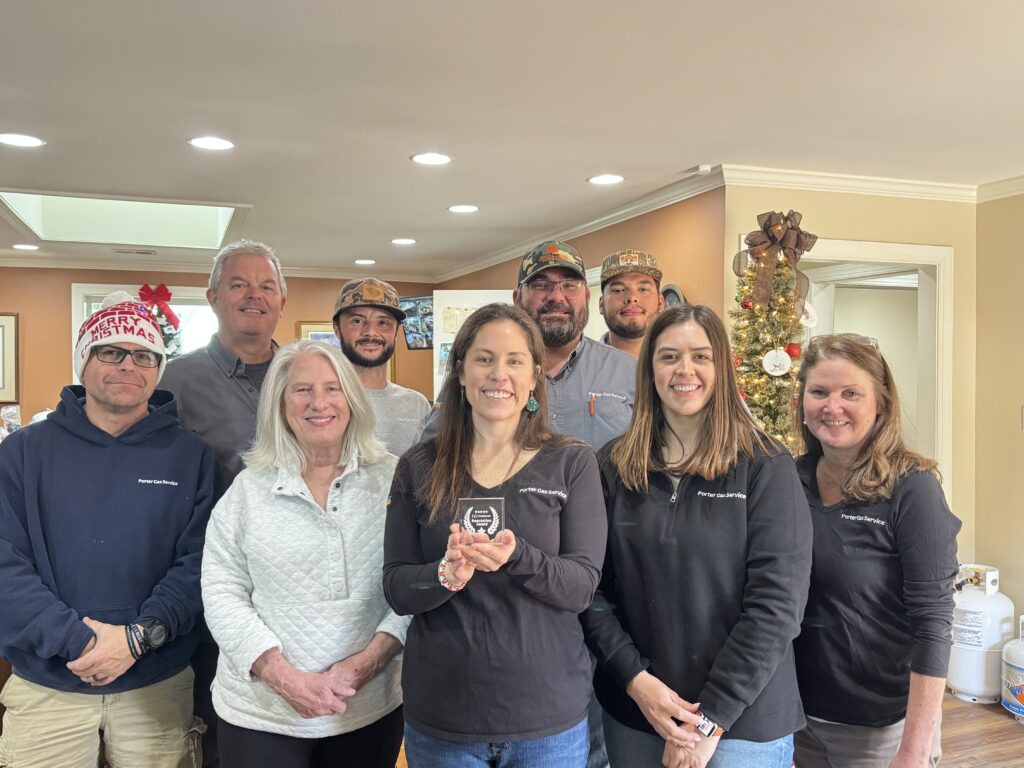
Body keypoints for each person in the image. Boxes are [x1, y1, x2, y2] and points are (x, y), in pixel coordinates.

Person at [582, 304, 812, 768]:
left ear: (721, 368)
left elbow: (777, 606)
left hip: (743, 723)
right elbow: (591, 589)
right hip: (638, 713)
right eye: (668, 357)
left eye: (700, 356)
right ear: (649, 370)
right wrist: (635, 681)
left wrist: (709, 721)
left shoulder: (765, 465)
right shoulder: (613, 465)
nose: (685, 370)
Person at [383, 303, 606, 767]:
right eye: (483, 358)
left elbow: (581, 587)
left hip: (547, 719)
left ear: (534, 378)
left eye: (514, 360)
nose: (497, 374)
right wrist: (444, 575)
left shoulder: (572, 463)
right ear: (460, 371)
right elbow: (397, 588)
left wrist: (518, 557)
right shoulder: (419, 465)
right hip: (444, 717)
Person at [0, 295, 216, 767]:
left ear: (159, 368)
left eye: (143, 355)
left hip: (157, 683)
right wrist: (79, 643)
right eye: (110, 351)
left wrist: (138, 639)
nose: (127, 366)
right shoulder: (20, 453)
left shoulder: (191, 457)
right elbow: (4, 567)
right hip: (47, 685)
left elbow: (201, 563)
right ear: (84, 360)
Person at [201, 340, 408, 768]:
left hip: (367, 708)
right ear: (280, 405)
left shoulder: (394, 480)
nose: (319, 403)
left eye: (333, 388)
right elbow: (222, 591)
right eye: (302, 390)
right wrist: (284, 677)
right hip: (261, 714)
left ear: (352, 400)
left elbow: (412, 586)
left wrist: (365, 665)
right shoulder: (247, 490)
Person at [791, 334, 960, 768]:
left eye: (851, 393)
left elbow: (934, 623)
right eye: (819, 392)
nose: (833, 407)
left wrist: (915, 749)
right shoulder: (791, 480)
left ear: (881, 403)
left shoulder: (912, 489)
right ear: (803, 401)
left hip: (882, 728)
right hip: (797, 715)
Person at [160, 238, 287, 764]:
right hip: (223, 590)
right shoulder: (176, 382)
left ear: (282, 299)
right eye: (239, 284)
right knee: (226, 735)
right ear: (213, 297)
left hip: (304, 589)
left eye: (266, 286)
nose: (253, 295)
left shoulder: (308, 374)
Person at [332, 277, 430, 456]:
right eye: (357, 321)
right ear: (337, 328)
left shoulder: (417, 405)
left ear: (396, 332)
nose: (370, 332)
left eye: (383, 322)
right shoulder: (320, 401)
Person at [597, 249, 665, 357]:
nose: (632, 298)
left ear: (660, 302)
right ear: (601, 304)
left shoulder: (680, 366)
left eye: (643, 289)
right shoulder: (579, 368)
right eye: (618, 290)